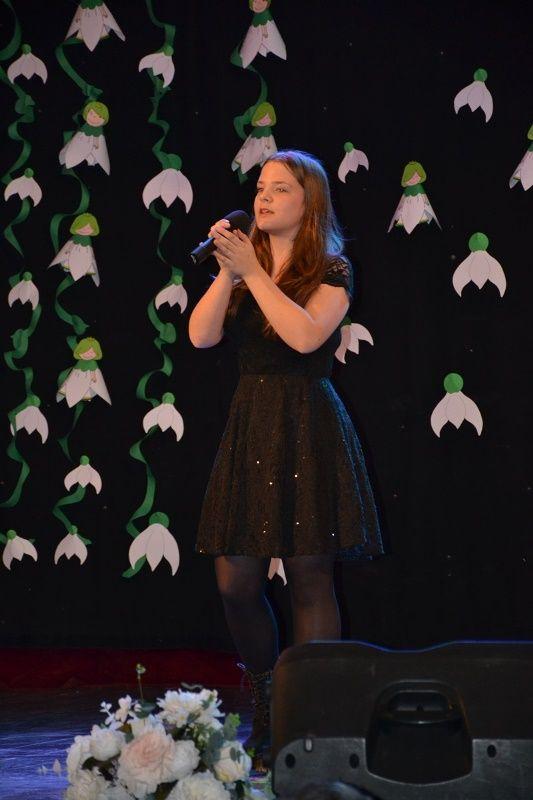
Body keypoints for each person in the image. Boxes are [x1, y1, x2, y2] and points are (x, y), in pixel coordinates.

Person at [188, 150, 384, 764]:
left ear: (309, 202)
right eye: (260, 187)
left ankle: (310, 716)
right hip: (252, 425)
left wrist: (254, 273)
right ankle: (269, 694)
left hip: (307, 423)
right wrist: (230, 271)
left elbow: (303, 336)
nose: (264, 198)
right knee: (235, 581)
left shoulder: (332, 268)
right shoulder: (245, 263)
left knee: (308, 574)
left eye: (279, 189)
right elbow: (201, 335)